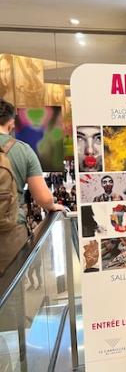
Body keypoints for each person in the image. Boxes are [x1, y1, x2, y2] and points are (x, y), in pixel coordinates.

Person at [0, 99, 65, 273]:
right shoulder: (23, 150)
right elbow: (43, 198)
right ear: (11, 122)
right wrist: (52, 205)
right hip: (10, 232)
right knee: (11, 295)